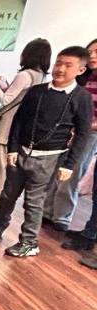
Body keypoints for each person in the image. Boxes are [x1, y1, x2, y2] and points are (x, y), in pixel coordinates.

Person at [0, 46, 92, 257]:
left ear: (80, 70)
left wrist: (69, 165)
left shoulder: (82, 97)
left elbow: (82, 134)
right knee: (7, 195)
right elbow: (18, 121)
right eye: (58, 63)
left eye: (68, 65)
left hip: (50, 159)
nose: (60, 69)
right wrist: (12, 148)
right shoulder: (36, 91)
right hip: (21, 153)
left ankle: (29, 242)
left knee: (34, 202)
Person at [0, 39, 50, 211]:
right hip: (21, 124)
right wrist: (3, 83)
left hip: (7, 123)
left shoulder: (25, 75)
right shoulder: (41, 76)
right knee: (4, 162)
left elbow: (6, 100)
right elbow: (17, 97)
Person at [42, 37, 97, 230]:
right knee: (55, 168)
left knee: (72, 172)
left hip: (88, 133)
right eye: (90, 51)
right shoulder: (83, 78)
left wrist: (85, 125)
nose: (92, 56)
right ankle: (47, 211)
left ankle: (62, 217)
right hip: (67, 129)